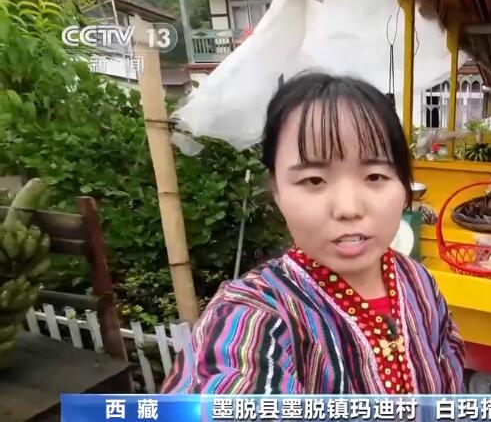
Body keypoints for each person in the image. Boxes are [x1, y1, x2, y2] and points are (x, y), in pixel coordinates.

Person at [162, 71, 464, 394]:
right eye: (314, 180)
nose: (348, 208)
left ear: (404, 187)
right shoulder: (255, 315)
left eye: (375, 176)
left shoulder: (419, 283)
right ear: (278, 193)